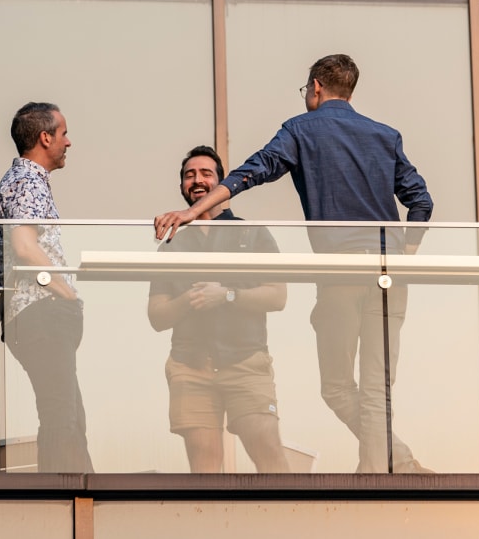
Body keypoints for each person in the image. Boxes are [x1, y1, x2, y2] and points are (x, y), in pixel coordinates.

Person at [154, 54, 433, 473]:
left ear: (316, 87)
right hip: (389, 276)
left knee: (338, 387)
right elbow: (422, 203)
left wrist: (195, 211)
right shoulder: (385, 135)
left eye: (306, 90)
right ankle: (386, 472)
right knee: (378, 390)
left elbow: (251, 172)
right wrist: (403, 257)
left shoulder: (302, 129)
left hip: (341, 275)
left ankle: (386, 471)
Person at [147, 146, 291, 473]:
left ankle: (288, 522)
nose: (196, 180)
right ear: (183, 186)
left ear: (222, 182)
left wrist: (226, 295)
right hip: (189, 366)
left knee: (269, 451)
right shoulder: (172, 244)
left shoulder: (251, 233)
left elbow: (277, 296)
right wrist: (188, 299)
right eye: (189, 175)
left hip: (246, 361)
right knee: (205, 469)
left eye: (205, 173)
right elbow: (156, 316)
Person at [0, 102, 93, 472]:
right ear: (45, 138)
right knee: (62, 415)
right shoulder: (28, 180)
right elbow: (25, 247)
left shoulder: (13, 182)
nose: (69, 142)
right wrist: (67, 293)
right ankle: (62, 505)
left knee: (70, 415)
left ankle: (83, 498)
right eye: (63, 133)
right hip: (40, 311)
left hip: (27, 315)